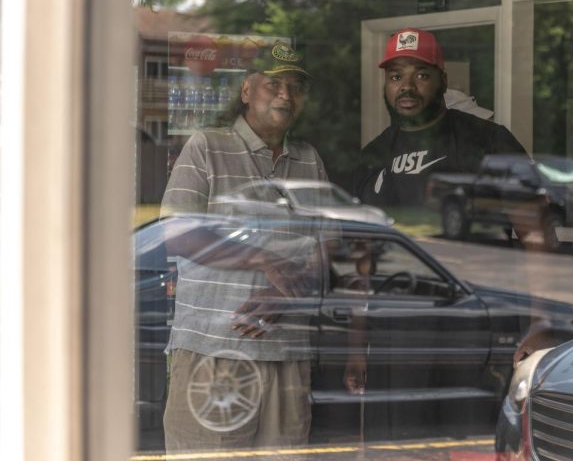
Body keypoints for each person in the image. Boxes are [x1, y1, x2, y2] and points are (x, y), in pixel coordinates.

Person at [160, 42, 328, 452]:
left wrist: (287, 295)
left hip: (288, 354)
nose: (286, 95)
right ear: (247, 91)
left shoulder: (308, 159)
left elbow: (329, 247)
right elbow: (178, 232)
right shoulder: (206, 145)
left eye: (295, 87)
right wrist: (265, 260)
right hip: (212, 350)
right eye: (274, 84)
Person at [352, 28, 526, 207]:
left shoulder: (489, 140)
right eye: (396, 77)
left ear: (443, 82)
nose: (407, 86)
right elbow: (361, 232)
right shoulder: (372, 155)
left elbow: (533, 230)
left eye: (421, 75)